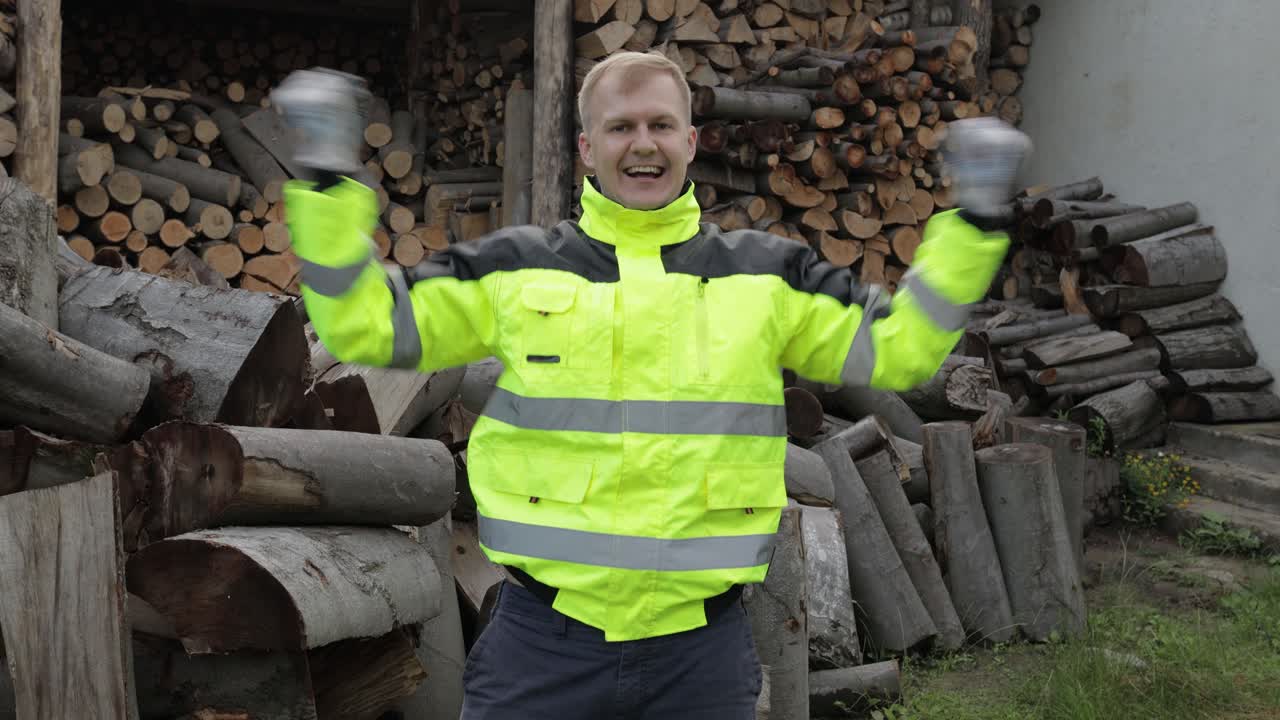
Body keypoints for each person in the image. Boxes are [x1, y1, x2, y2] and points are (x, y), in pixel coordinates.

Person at [275, 51, 1027, 720]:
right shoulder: (513, 268)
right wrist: (324, 179)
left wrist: (977, 219)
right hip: (543, 645)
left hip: (700, 656)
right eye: (621, 126)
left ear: (691, 143)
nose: (643, 144)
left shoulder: (768, 276)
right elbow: (365, 325)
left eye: (662, 125)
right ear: (587, 150)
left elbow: (901, 351)